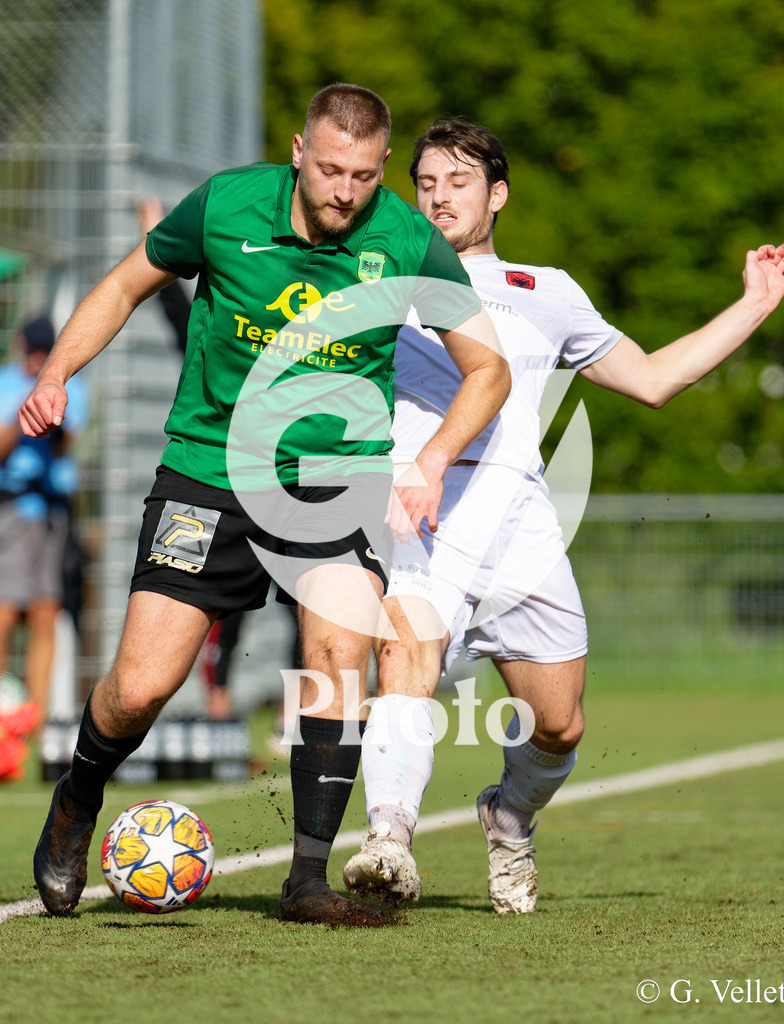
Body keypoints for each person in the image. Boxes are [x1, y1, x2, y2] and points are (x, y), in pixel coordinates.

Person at [21, 87, 509, 926]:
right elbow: (126, 282)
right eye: (327, 169)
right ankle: (76, 798)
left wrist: (427, 461)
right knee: (139, 689)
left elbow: (487, 368)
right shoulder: (223, 206)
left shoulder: (404, 238)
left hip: (336, 479)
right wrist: (59, 371)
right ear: (296, 151)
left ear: (380, 168)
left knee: (336, 653)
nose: (343, 190)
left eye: (361, 174)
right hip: (209, 472)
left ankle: (307, 879)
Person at [342, 117, 784, 914]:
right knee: (405, 664)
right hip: (420, 508)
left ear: (498, 193)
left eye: (458, 181)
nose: (439, 196)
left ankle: (507, 816)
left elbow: (653, 379)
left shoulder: (545, 290)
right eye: (424, 183)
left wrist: (753, 306)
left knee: (557, 726)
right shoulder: (382, 277)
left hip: (519, 520)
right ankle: (388, 838)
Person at [0, 316, 88, 735]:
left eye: (45, 350)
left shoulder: (73, 386)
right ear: (21, 345)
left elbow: (70, 441)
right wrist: (23, 419)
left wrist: (53, 419)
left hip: (53, 513)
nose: (39, 357)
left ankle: (30, 724)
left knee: (44, 614)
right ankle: (2, 717)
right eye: (34, 349)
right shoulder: (5, 384)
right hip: (12, 510)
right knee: (2, 614)